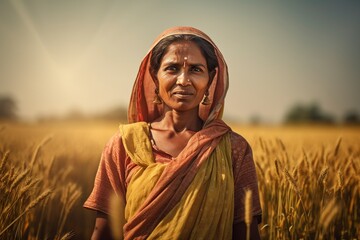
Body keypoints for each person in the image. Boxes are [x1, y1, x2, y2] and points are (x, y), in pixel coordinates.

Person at [84, 26, 262, 240]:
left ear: (211, 78)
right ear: (154, 75)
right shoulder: (125, 145)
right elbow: (104, 232)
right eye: (172, 68)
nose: (183, 80)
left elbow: (246, 232)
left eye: (196, 69)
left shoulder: (233, 148)